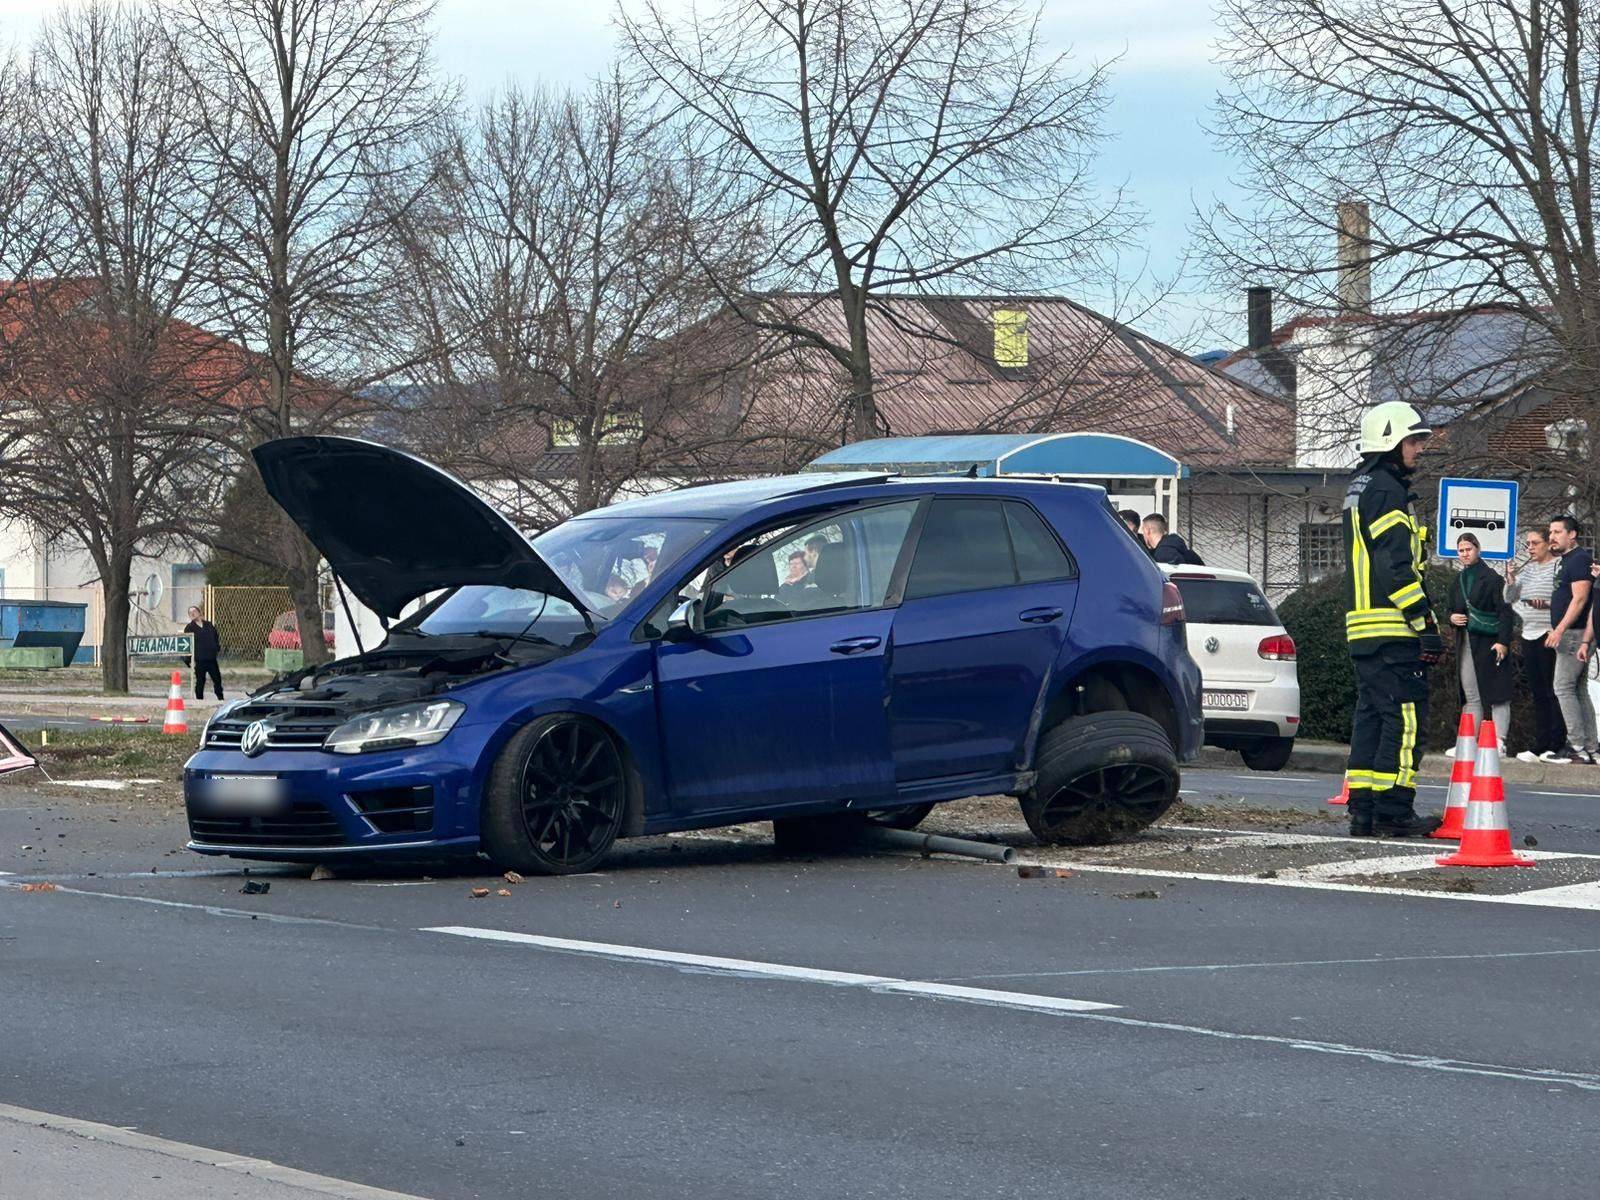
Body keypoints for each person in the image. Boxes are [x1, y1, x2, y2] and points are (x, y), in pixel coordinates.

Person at [1340, 400, 1443, 837]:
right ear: (1390, 441)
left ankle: (1363, 810)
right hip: (1392, 627)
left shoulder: (1360, 486)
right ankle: (1395, 810)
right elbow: (1395, 565)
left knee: (1372, 718)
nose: (1419, 449)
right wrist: (1425, 623)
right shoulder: (1386, 489)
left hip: (1364, 629)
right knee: (1404, 720)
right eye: (1413, 440)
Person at [1447, 533, 1513, 753]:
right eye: (1461, 550)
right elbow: (1451, 608)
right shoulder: (1459, 579)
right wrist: (1451, 618)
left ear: (1478, 549)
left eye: (1469, 549)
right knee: (1471, 694)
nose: (1465, 554)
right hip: (1465, 641)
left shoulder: (1493, 578)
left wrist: (1503, 642)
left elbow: (1505, 612)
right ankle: (1467, 743)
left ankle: (1499, 741)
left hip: (1490, 642)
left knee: (1497, 693)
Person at [1505, 528, 1565, 762]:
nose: (1530, 547)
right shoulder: (1528, 570)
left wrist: (1547, 604)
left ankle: (1556, 742)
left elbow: (1566, 599)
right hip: (1529, 632)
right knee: (1538, 692)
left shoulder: (1558, 567)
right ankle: (1540, 742)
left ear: (1548, 544)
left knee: (1553, 691)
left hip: (1549, 633)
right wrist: (1510, 580)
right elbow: (1510, 598)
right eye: (1528, 543)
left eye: (1535, 543)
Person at [1544, 515, 1596, 764]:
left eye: (1557, 532)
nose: (1552, 537)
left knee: (1563, 687)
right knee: (1577, 689)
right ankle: (1590, 747)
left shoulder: (1579, 560)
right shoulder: (1567, 561)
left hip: (1575, 634)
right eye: (1550, 532)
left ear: (1572, 534)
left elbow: (1580, 599)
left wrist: (1559, 630)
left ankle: (1576, 746)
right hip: (1573, 633)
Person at [183, 605, 223, 701]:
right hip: (199, 660)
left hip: (211, 659)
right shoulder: (189, 628)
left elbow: (215, 637)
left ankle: (220, 698)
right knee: (200, 681)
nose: (192, 614)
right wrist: (188, 660)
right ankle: (199, 700)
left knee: (217, 679)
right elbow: (187, 645)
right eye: (190, 613)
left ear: (199, 612)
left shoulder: (208, 625)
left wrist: (216, 648)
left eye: (194, 611)